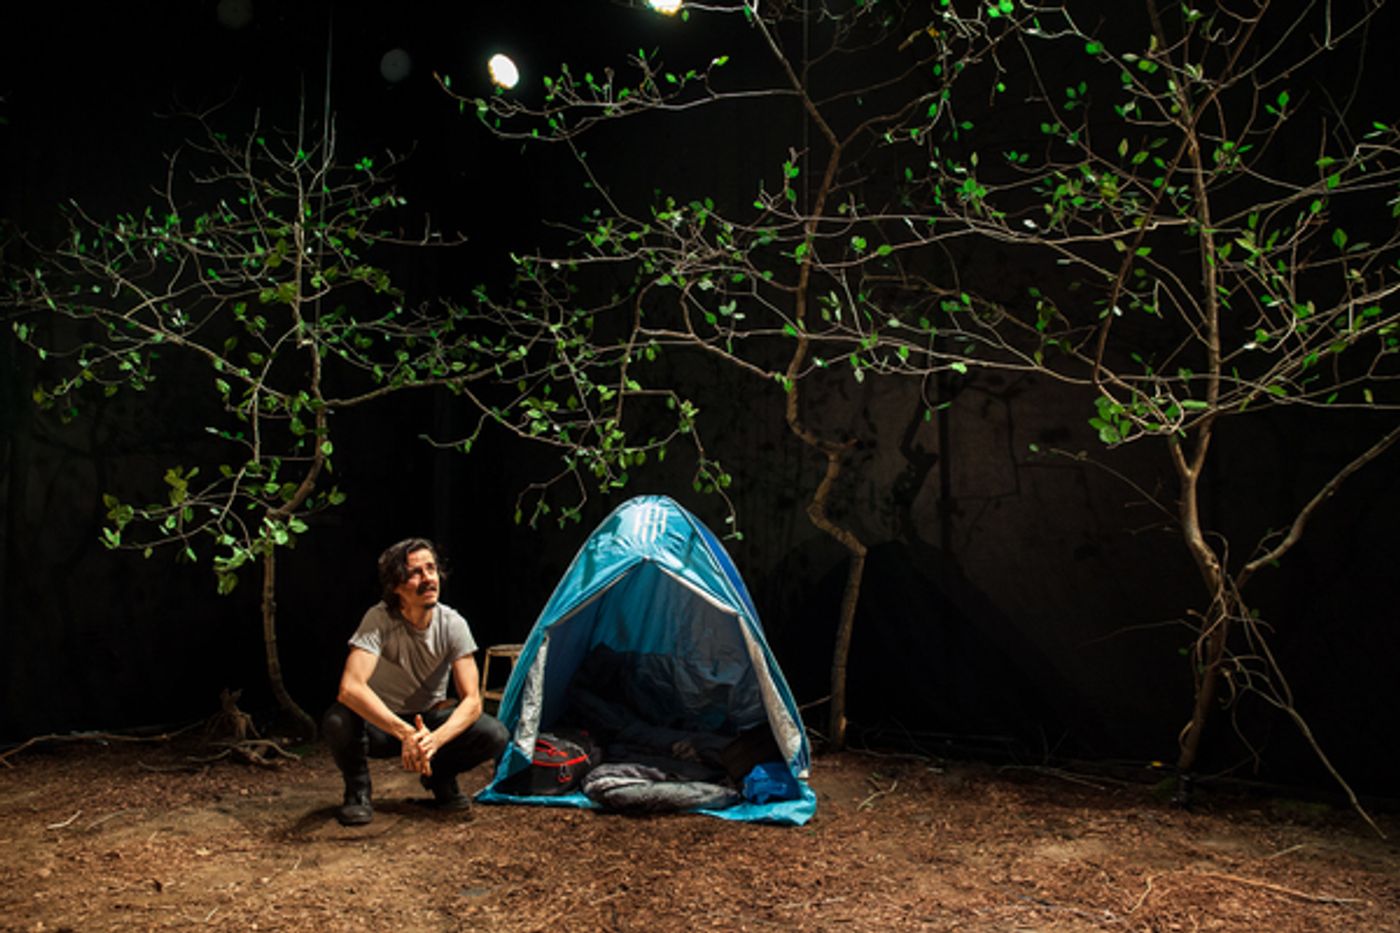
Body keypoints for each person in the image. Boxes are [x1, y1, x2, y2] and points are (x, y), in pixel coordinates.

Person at [322, 537, 509, 826]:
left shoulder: (453, 624)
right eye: (415, 573)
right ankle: (358, 790)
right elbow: (350, 688)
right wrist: (405, 732)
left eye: (431, 569)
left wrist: (434, 740)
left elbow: (472, 701)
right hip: (382, 727)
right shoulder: (378, 619)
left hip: (428, 720)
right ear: (396, 586)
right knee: (338, 720)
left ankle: (440, 777)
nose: (428, 578)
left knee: (494, 734)